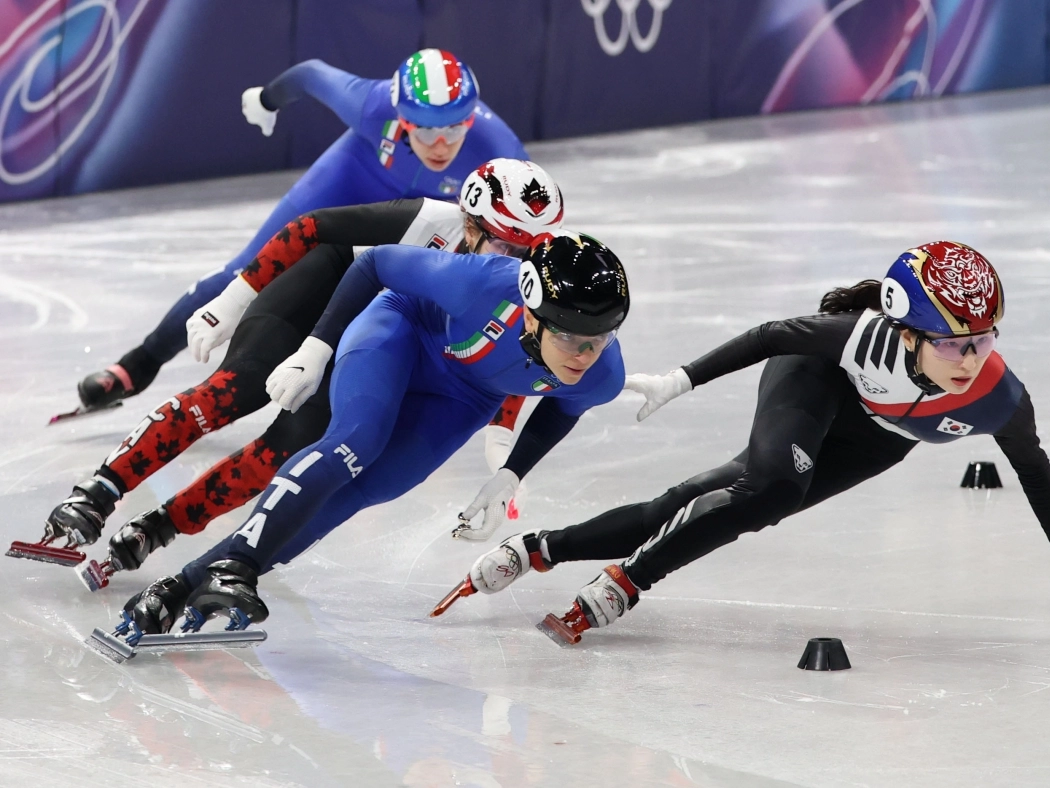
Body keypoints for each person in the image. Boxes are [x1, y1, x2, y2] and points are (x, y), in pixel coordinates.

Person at [435, 241, 1050, 644]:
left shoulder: (998, 396)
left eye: (982, 340)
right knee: (774, 486)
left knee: (715, 499)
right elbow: (771, 336)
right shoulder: (859, 336)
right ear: (907, 332)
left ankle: (540, 548)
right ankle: (627, 582)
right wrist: (682, 378)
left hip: (878, 439)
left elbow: (1035, 467)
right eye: (952, 343)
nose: (969, 359)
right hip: (813, 381)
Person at [27, 160, 563, 586]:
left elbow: (517, 356)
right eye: (507, 245)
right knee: (229, 392)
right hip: (317, 299)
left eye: (530, 250)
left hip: (373, 341)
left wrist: (503, 450)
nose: (519, 261)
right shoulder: (427, 220)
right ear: (468, 225)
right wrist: (233, 300)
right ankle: (97, 491)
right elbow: (311, 227)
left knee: (284, 455)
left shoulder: (531, 280)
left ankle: (157, 529)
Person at [118, 232, 631, 635]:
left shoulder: (603, 374)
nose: (585, 356)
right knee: (355, 444)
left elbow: (566, 407)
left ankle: (180, 587)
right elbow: (374, 262)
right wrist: (316, 348)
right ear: (532, 314)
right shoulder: (479, 284)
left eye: (599, 340)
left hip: (464, 396)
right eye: (570, 338)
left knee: (371, 487)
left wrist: (511, 475)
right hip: (400, 330)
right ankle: (239, 566)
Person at [74, 49, 524, 411]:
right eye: (425, 132)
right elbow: (311, 73)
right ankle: (139, 363)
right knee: (247, 271)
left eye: (453, 131)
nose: (440, 145)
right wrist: (266, 99)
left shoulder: (500, 152)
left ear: (471, 119)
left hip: (426, 211)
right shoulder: (371, 104)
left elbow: (527, 244)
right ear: (401, 118)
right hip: (350, 174)